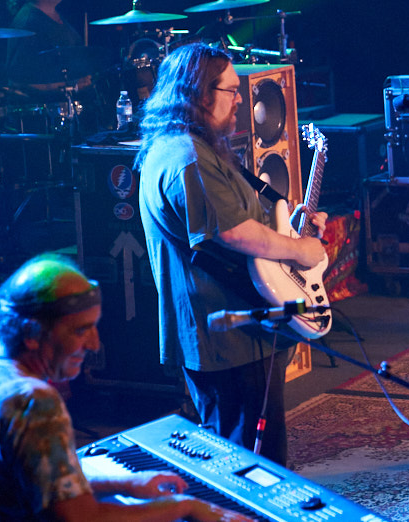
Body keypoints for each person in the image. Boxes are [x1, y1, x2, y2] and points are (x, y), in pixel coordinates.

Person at [136, 43, 327, 467]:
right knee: (249, 463)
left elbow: (241, 220)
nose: (241, 99)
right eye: (231, 90)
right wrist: (299, 249)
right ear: (199, 93)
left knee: (245, 453)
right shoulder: (188, 158)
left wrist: (293, 225)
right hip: (229, 337)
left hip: (237, 333)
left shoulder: (192, 149)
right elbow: (234, 232)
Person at [0, 253, 252, 521]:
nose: (94, 344)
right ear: (31, 333)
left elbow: (37, 479)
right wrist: (185, 506)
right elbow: (82, 518)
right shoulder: (33, 401)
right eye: (80, 330)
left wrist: (125, 483)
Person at [6, 0, 84, 86]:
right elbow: (20, 80)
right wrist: (70, 86)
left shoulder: (54, 15)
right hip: (51, 99)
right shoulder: (29, 23)